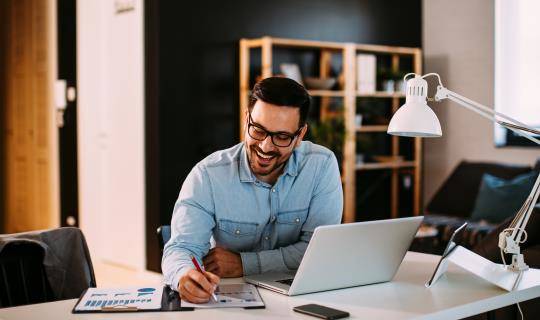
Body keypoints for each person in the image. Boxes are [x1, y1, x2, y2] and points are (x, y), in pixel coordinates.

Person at [162, 77, 343, 303]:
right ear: (246, 119)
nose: (266, 146)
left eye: (282, 137)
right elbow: (181, 248)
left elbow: (317, 250)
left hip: (299, 298)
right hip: (229, 300)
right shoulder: (208, 175)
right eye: (257, 130)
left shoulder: (321, 166)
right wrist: (183, 275)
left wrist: (244, 264)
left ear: (300, 136)